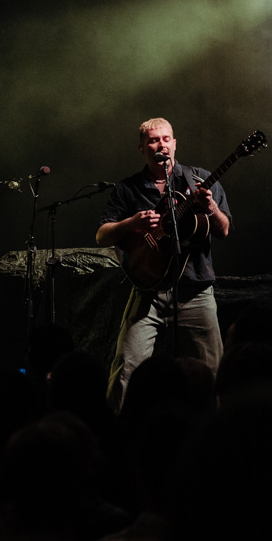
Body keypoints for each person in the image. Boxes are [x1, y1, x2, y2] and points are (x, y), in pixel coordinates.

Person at [95, 117, 231, 412]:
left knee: (212, 371)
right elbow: (101, 235)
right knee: (127, 368)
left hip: (195, 291)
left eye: (166, 139)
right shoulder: (128, 189)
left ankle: (216, 435)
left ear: (174, 143)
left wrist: (211, 208)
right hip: (148, 292)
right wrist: (132, 222)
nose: (161, 145)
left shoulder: (199, 179)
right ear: (142, 148)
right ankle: (113, 437)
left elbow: (223, 230)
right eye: (154, 141)